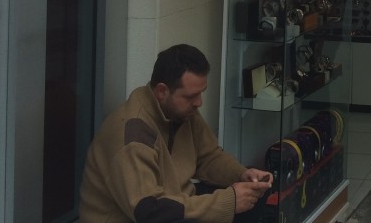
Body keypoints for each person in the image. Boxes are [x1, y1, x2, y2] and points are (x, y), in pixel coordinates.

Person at [79, 44, 272, 222]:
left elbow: (208, 157)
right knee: (230, 205)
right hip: (145, 215)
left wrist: (242, 175)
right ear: (162, 91)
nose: (199, 103)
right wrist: (228, 201)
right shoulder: (133, 134)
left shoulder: (181, 112)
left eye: (201, 93)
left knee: (253, 200)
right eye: (191, 96)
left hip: (174, 204)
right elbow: (149, 211)